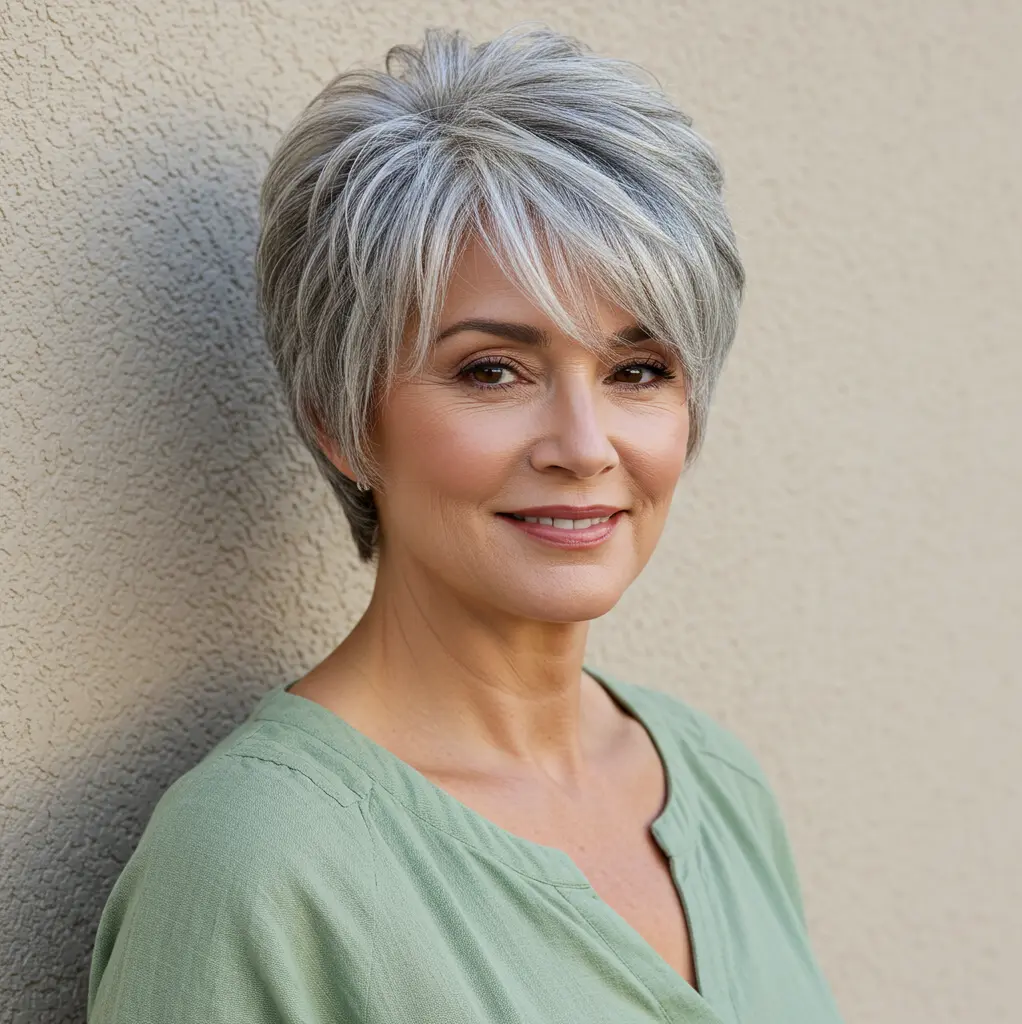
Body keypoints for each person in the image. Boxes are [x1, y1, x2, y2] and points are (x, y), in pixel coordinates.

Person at [87, 23, 845, 1024]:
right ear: (344, 422)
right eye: (492, 370)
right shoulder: (256, 864)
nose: (583, 444)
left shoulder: (714, 781)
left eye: (637, 370)